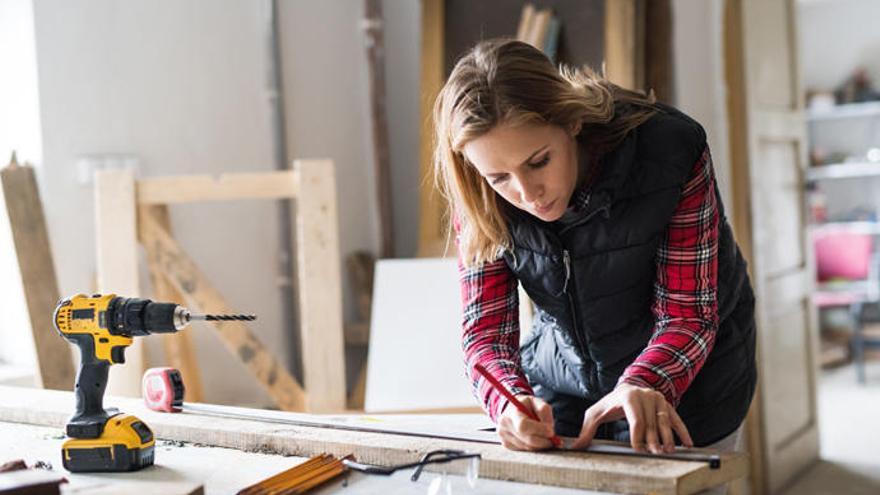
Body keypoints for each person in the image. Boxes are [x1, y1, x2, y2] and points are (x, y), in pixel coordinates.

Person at [433, 38, 757, 457]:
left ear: (570, 121)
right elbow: (486, 335)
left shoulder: (671, 151)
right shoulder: (478, 191)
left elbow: (688, 312)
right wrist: (509, 404)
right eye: (500, 178)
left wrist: (644, 382)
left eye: (539, 162)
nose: (527, 193)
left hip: (692, 380)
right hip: (565, 381)